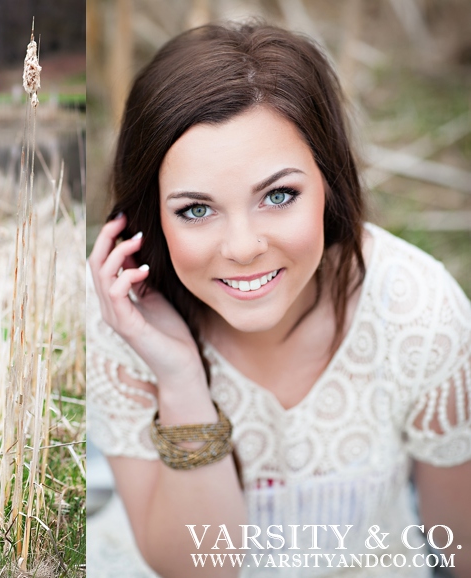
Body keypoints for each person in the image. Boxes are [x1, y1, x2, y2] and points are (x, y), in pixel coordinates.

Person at [87, 23, 471, 577]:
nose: (243, 248)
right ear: (151, 218)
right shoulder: (125, 321)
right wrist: (179, 379)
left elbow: (457, 541)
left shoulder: (421, 314)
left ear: (329, 183)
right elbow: (197, 570)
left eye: (278, 195)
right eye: (196, 209)